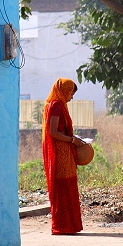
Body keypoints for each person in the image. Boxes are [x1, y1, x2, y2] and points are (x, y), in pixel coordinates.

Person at [42, 78, 86, 235]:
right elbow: (52, 132)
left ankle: (70, 225)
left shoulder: (58, 106)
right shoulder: (56, 107)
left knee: (68, 186)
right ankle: (63, 226)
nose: (71, 97)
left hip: (65, 151)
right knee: (63, 187)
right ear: (65, 91)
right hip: (60, 153)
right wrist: (72, 139)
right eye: (71, 93)